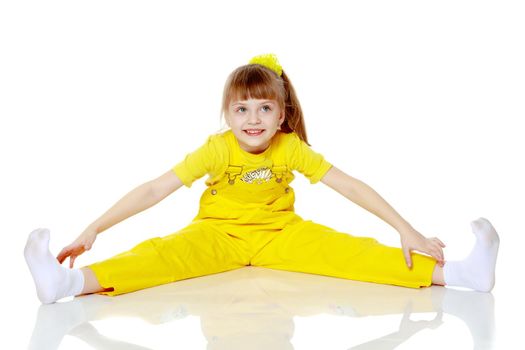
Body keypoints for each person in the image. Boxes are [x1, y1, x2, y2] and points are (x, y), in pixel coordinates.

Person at [24, 53, 500, 305]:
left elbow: (349, 185)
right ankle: (66, 284)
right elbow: (154, 189)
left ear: (281, 114)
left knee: (354, 255)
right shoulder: (216, 149)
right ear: (227, 114)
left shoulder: (290, 148)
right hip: (217, 236)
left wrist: (406, 229)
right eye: (242, 109)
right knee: (157, 257)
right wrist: (93, 229)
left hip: (280, 236)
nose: (253, 119)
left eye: (265, 108)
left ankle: (459, 274)